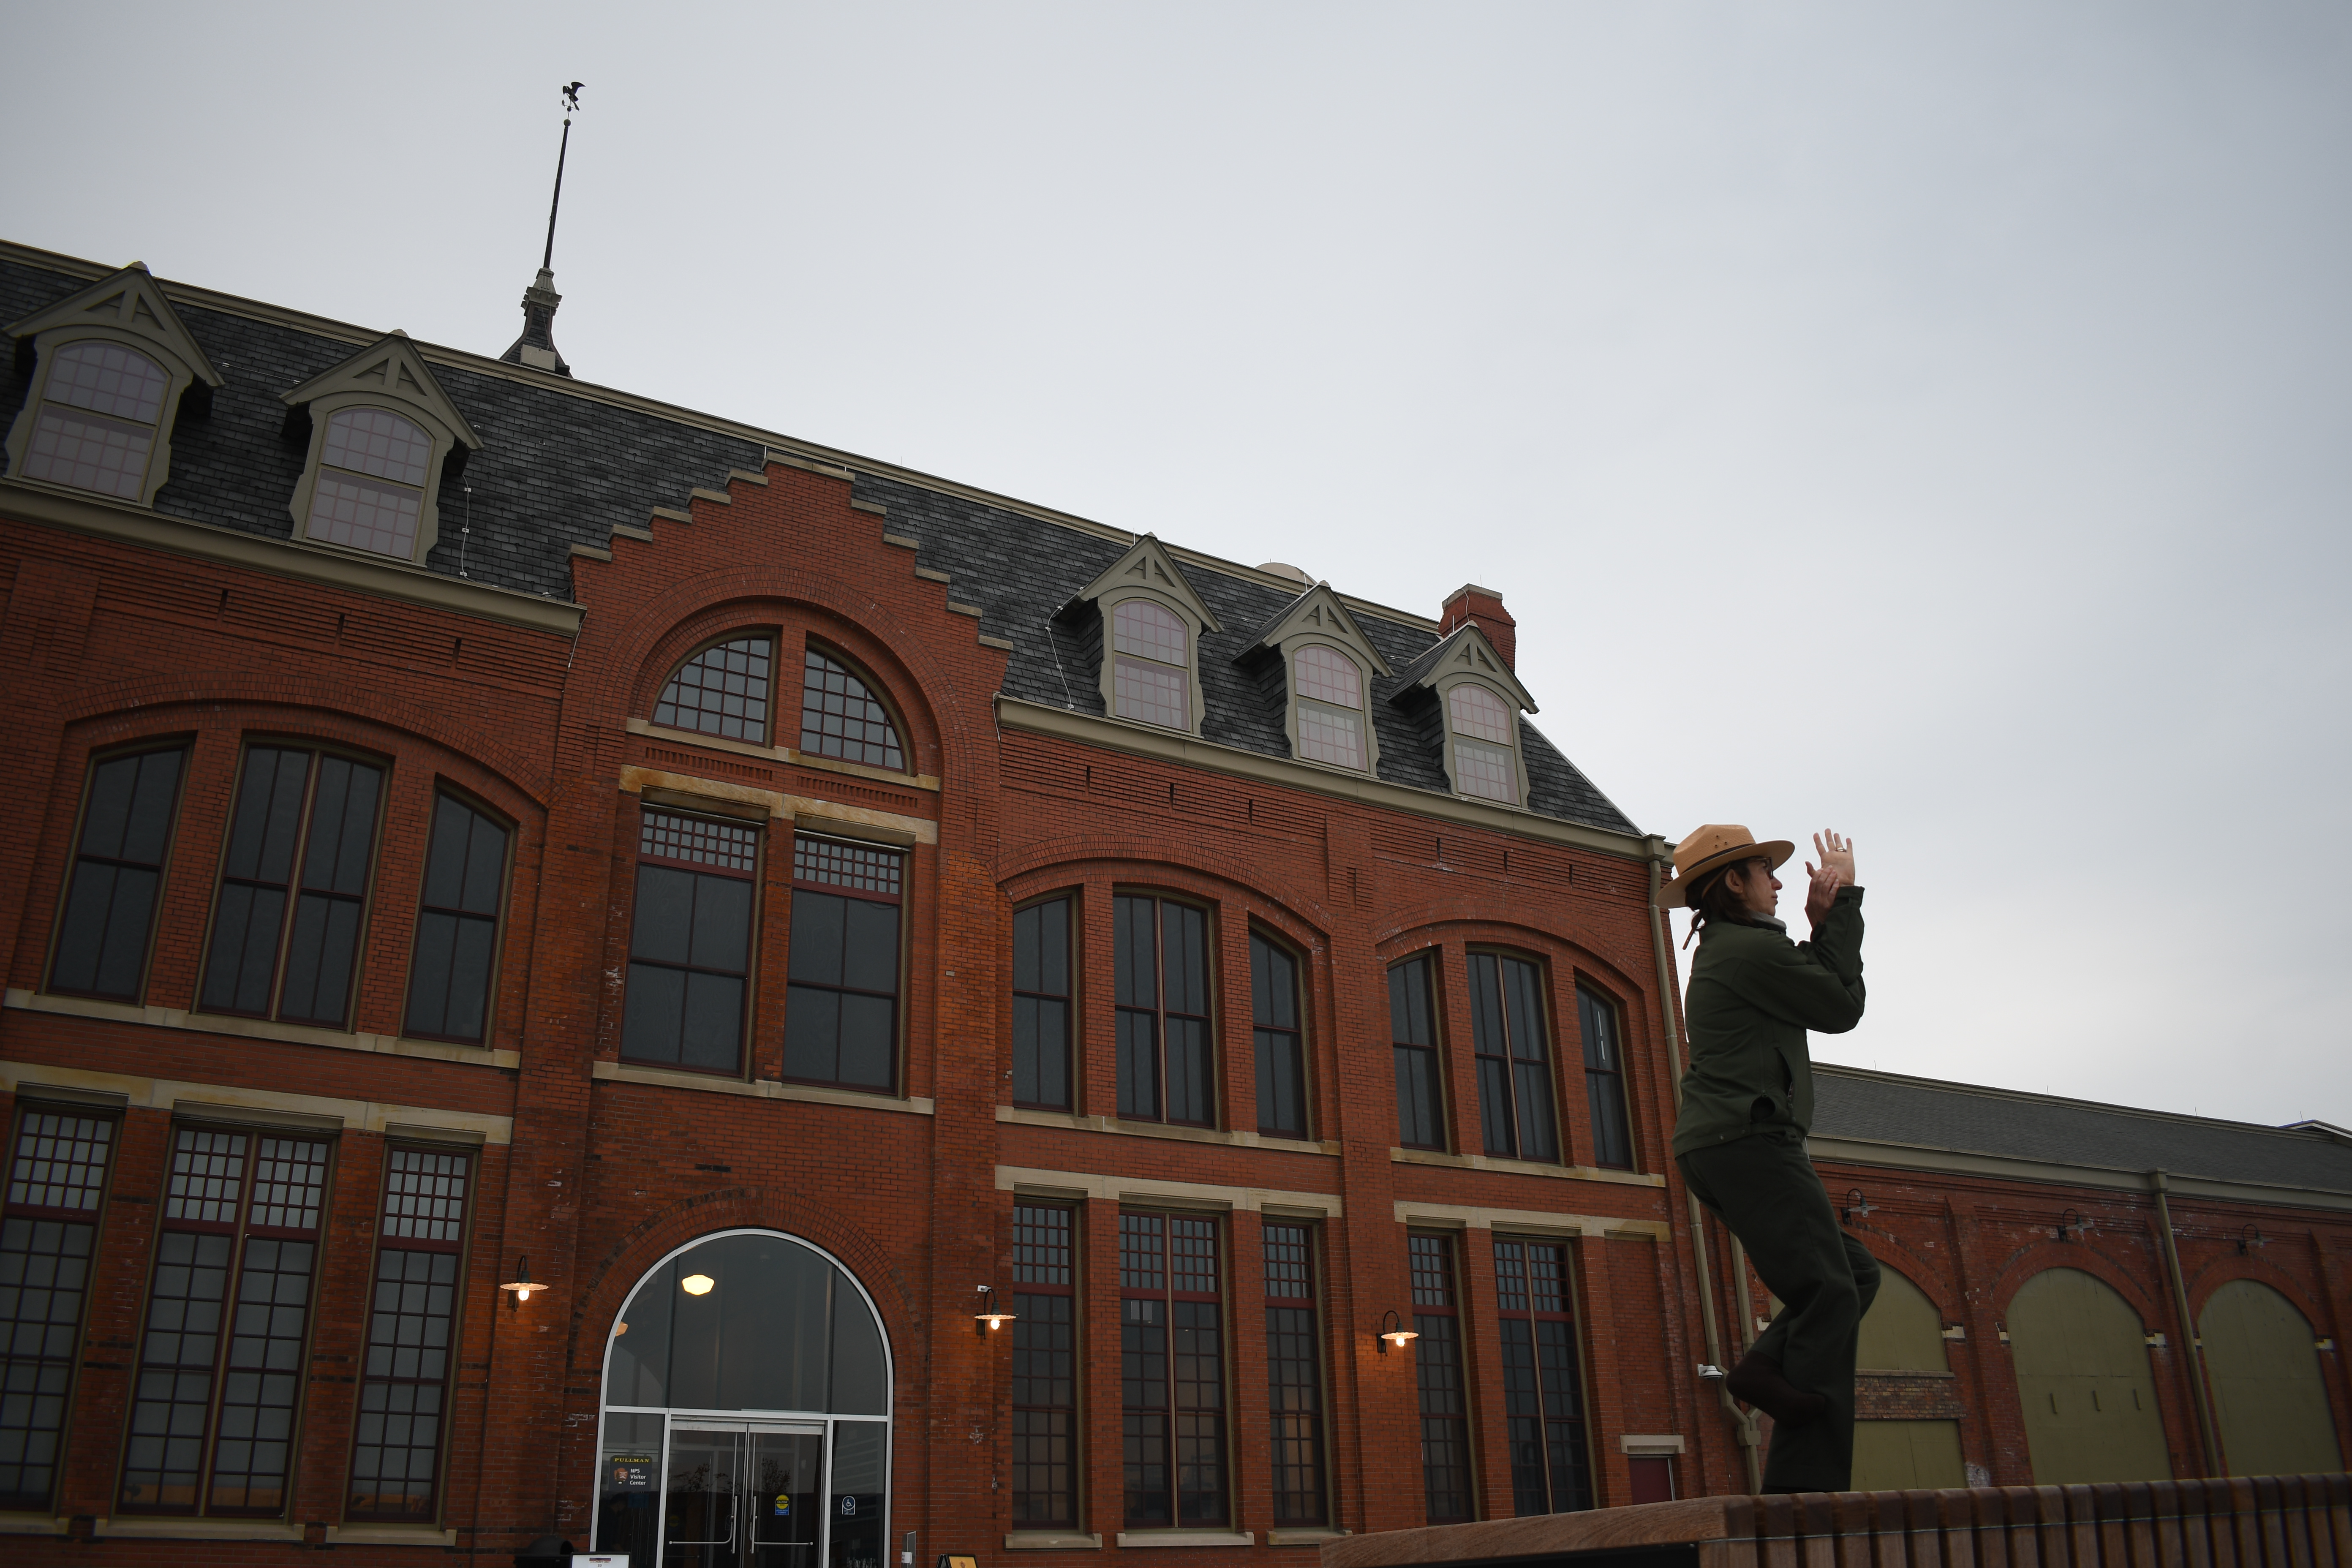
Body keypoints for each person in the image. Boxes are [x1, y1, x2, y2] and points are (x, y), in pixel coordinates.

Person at [1659, 823, 1873, 1494]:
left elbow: (1826, 995)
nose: (1780, 882)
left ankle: (1761, 1371)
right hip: (1748, 1143)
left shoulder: (1741, 951)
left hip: (1727, 1146)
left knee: (1854, 1274)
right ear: (1733, 882)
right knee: (1828, 1290)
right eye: (1765, 871)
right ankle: (1803, 1498)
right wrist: (1839, 910)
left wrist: (1824, 927)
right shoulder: (1746, 952)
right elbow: (1841, 1007)